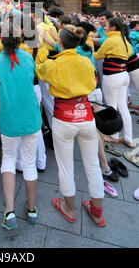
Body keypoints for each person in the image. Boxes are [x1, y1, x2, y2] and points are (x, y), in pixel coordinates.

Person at [37, 25, 105, 227]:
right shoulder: (85, 61)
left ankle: (69, 208)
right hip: (85, 114)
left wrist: (40, 43)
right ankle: (97, 211)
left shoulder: (53, 64)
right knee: (92, 165)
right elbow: (93, 84)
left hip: (63, 117)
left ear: (59, 42)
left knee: (66, 167)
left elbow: (39, 70)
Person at [0, 19, 42, 230]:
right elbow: (29, 81)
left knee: (8, 160)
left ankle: (9, 212)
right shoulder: (28, 58)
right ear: (20, 39)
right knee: (29, 163)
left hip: (9, 117)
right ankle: (31, 209)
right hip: (30, 117)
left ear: (1, 40)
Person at [94, 17, 134, 148]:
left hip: (112, 76)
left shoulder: (110, 40)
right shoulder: (123, 39)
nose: (104, 28)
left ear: (112, 28)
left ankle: (114, 136)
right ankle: (128, 138)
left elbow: (98, 56)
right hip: (123, 75)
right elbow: (130, 53)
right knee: (123, 107)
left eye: (106, 26)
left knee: (112, 107)